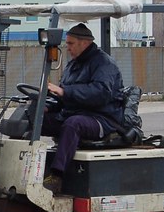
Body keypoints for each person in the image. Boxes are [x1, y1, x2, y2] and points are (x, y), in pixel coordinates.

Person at [41, 23, 125, 193]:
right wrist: (48, 106)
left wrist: (65, 92)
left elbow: (100, 93)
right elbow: (65, 96)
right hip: (76, 113)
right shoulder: (73, 65)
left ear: (84, 43)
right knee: (33, 119)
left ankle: (57, 176)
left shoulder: (104, 64)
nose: (67, 48)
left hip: (102, 118)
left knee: (73, 124)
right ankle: (27, 169)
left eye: (71, 44)